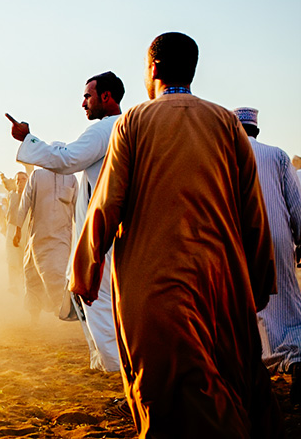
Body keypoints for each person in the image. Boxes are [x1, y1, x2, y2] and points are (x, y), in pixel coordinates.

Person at [72, 33, 283, 437]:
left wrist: (85, 270)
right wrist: (258, 281)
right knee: (223, 379)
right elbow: (253, 215)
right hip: (220, 283)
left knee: (163, 390)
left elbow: (106, 205)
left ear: (152, 69)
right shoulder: (226, 123)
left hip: (152, 287)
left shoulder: (133, 122)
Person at [7, 71, 124, 372]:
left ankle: (114, 370)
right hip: (117, 233)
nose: (83, 102)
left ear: (106, 97)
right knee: (101, 304)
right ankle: (103, 363)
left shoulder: (102, 131)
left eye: (88, 96)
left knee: (96, 303)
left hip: (102, 236)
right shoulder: (130, 128)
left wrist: (28, 138)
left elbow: (65, 159)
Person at [234, 107, 301, 404]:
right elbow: (295, 204)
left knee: (243, 309)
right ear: (256, 129)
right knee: (286, 304)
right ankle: (296, 362)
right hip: (277, 239)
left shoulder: (225, 157)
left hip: (237, 241)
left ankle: (253, 375)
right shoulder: (277, 155)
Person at [14, 155, 77, 321]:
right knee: (32, 276)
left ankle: (64, 312)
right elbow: (24, 204)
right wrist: (18, 229)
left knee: (57, 274)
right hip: (37, 237)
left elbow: (79, 209)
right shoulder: (37, 176)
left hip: (62, 239)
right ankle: (35, 315)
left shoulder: (71, 178)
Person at [4, 172, 28, 295]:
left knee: (26, 260)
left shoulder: (30, 196)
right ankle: (13, 285)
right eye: (17, 180)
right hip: (11, 228)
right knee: (12, 258)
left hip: (25, 229)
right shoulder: (11, 195)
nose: (20, 182)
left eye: (23, 179)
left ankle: (26, 286)